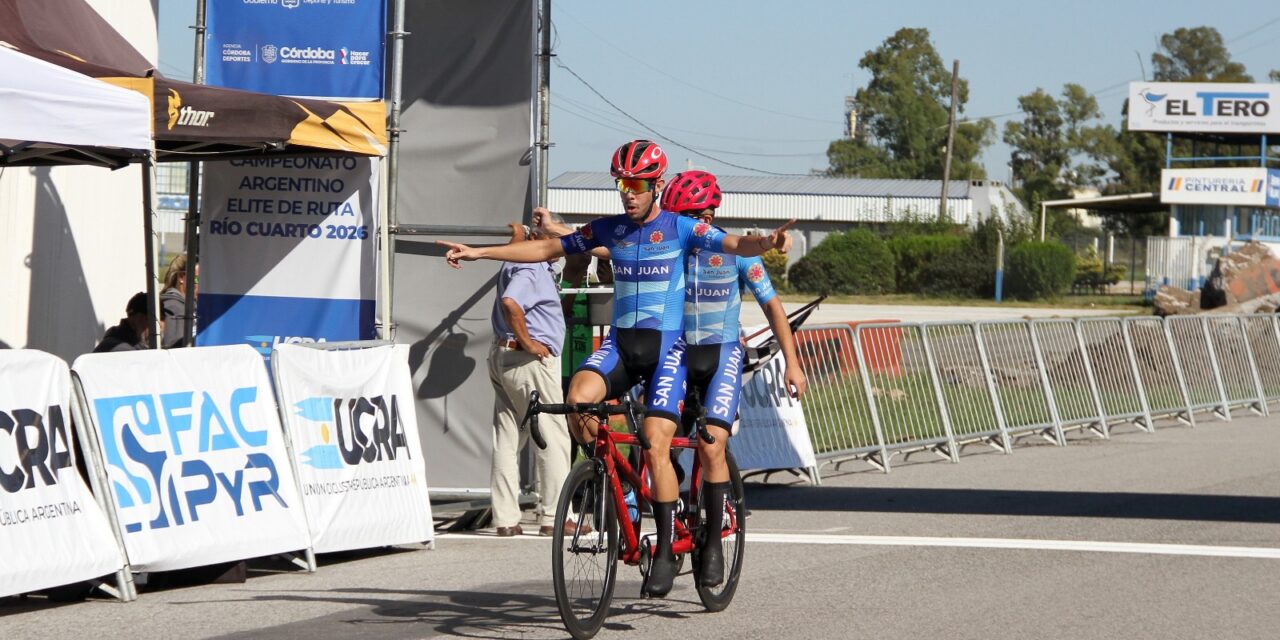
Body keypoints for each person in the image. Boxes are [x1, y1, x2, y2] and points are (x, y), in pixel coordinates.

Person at [438, 139, 795, 597]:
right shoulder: (610, 229)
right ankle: (607, 480)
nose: (629, 192)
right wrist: (480, 253)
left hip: (669, 350)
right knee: (577, 402)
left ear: (657, 186)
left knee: (655, 439)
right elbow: (549, 249)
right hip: (622, 347)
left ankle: (667, 548)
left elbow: (733, 242)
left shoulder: (683, 228)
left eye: (639, 184)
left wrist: (767, 242)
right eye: (623, 183)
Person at [661, 170, 808, 587]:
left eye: (688, 217)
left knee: (711, 445)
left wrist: (793, 364)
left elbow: (774, 309)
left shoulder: (738, 252)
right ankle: (670, 529)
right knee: (655, 441)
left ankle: (711, 547)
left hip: (721, 356)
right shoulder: (670, 250)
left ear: (707, 215)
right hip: (678, 356)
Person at [487, 225, 577, 538]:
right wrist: (528, 342)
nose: (562, 248)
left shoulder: (516, 259)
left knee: (508, 434)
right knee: (552, 435)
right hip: (529, 362)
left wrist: (518, 233)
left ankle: (505, 517)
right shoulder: (532, 266)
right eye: (557, 242)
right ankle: (554, 515)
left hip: (503, 356)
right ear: (540, 241)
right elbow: (512, 301)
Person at [160, 253, 197, 348]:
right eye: (197, 279)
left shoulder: (188, 305)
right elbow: (173, 348)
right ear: (181, 277)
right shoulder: (174, 307)